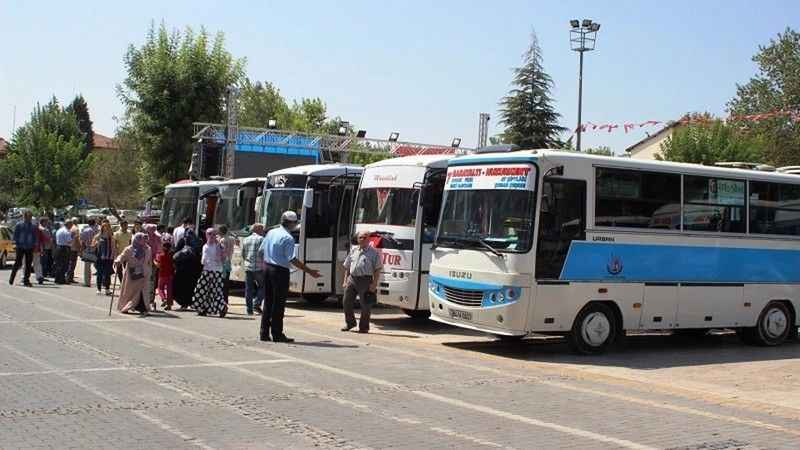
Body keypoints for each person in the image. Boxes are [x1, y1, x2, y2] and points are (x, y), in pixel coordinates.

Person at [259, 211, 321, 342]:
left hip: (267, 268)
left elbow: (261, 251)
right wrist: (310, 271)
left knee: (268, 302)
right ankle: (277, 333)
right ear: (291, 223)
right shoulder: (288, 238)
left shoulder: (271, 232)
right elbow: (292, 259)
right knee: (279, 303)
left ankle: (264, 333)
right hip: (279, 271)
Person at [341, 231, 383, 333]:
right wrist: (345, 280)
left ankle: (364, 327)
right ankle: (350, 323)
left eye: (365, 237)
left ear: (369, 239)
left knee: (365, 304)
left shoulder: (374, 252)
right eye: (360, 237)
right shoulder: (353, 250)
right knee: (346, 301)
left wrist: (374, 284)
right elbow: (347, 266)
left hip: (365, 280)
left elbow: (377, 269)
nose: (362, 239)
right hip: (352, 279)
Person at [192, 228, 227, 317]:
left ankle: (222, 307)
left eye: (213, 234)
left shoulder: (219, 246)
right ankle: (202, 308)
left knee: (215, 291)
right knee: (201, 290)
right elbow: (203, 259)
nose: (211, 235)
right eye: (209, 234)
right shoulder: (205, 246)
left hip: (216, 271)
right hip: (207, 270)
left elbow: (223, 258)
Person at [114, 233, 152, 315]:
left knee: (142, 291)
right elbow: (122, 256)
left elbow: (149, 261)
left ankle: (143, 308)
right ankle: (126, 306)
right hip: (132, 275)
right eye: (142, 239)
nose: (144, 241)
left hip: (144, 274)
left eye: (145, 239)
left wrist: (149, 271)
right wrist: (118, 261)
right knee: (129, 292)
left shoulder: (148, 249)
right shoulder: (129, 249)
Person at [173, 229, 202, 310]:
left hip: (182, 269)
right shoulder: (199, 242)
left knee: (180, 287)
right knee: (191, 287)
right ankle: (190, 303)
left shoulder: (183, 240)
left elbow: (176, 253)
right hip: (194, 270)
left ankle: (183, 304)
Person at [241, 223, 266, 315]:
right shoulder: (261, 239)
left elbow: (243, 254)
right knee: (263, 286)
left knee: (249, 289)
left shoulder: (246, 240)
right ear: (258, 230)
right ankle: (256, 303)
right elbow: (263, 253)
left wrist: (248, 261)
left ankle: (249, 309)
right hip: (259, 268)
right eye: (262, 229)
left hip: (248, 267)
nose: (263, 231)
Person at [9, 211, 38, 287]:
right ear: (24, 217)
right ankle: (11, 279)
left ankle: (26, 280)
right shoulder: (19, 225)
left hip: (29, 247)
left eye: (30, 217)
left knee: (28, 265)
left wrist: (35, 245)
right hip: (20, 246)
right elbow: (15, 235)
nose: (29, 218)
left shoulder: (33, 226)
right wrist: (15, 244)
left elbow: (35, 237)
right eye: (28, 217)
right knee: (17, 263)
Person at [91, 221, 116, 296]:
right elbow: (92, 247)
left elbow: (114, 248)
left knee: (108, 274)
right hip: (100, 257)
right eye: (104, 226)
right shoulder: (97, 236)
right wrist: (96, 244)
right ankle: (99, 289)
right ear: (102, 228)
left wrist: (114, 257)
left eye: (107, 226)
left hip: (109, 258)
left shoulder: (112, 237)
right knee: (100, 273)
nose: (106, 228)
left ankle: (107, 289)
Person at [144, 224, 162, 309]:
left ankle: (150, 300)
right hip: (145, 262)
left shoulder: (157, 238)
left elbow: (159, 251)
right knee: (147, 281)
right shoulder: (144, 238)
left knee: (151, 282)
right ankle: (146, 300)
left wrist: (156, 260)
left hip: (152, 263)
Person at [155, 235, 175, 310]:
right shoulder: (172, 255)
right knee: (169, 290)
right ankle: (169, 305)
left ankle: (164, 299)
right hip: (170, 275)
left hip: (162, 274)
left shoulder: (160, 256)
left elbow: (158, 265)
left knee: (160, 288)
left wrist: (154, 261)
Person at [218, 224, 235, 303]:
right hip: (229, 261)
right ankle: (226, 299)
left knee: (221, 282)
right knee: (226, 281)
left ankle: (222, 299)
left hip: (223, 262)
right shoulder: (231, 239)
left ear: (221, 232)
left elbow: (223, 252)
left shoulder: (222, 240)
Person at [80, 219, 98, 287]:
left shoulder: (85, 231)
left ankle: (87, 282)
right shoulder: (98, 230)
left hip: (88, 250)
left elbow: (82, 241)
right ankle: (103, 281)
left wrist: (81, 251)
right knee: (99, 266)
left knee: (87, 267)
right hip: (97, 250)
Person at [54, 220, 73, 284]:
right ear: (68, 224)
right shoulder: (67, 231)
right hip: (64, 248)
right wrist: (73, 238)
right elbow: (69, 241)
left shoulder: (59, 230)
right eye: (71, 225)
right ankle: (61, 279)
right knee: (64, 265)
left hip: (58, 247)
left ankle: (57, 278)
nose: (71, 226)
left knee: (58, 264)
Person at [68, 217, 81, 283]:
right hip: (74, 248)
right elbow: (77, 239)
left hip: (69, 247)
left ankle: (69, 276)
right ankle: (70, 277)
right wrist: (80, 248)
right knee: (72, 263)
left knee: (69, 263)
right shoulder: (76, 229)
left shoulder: (69, 228)